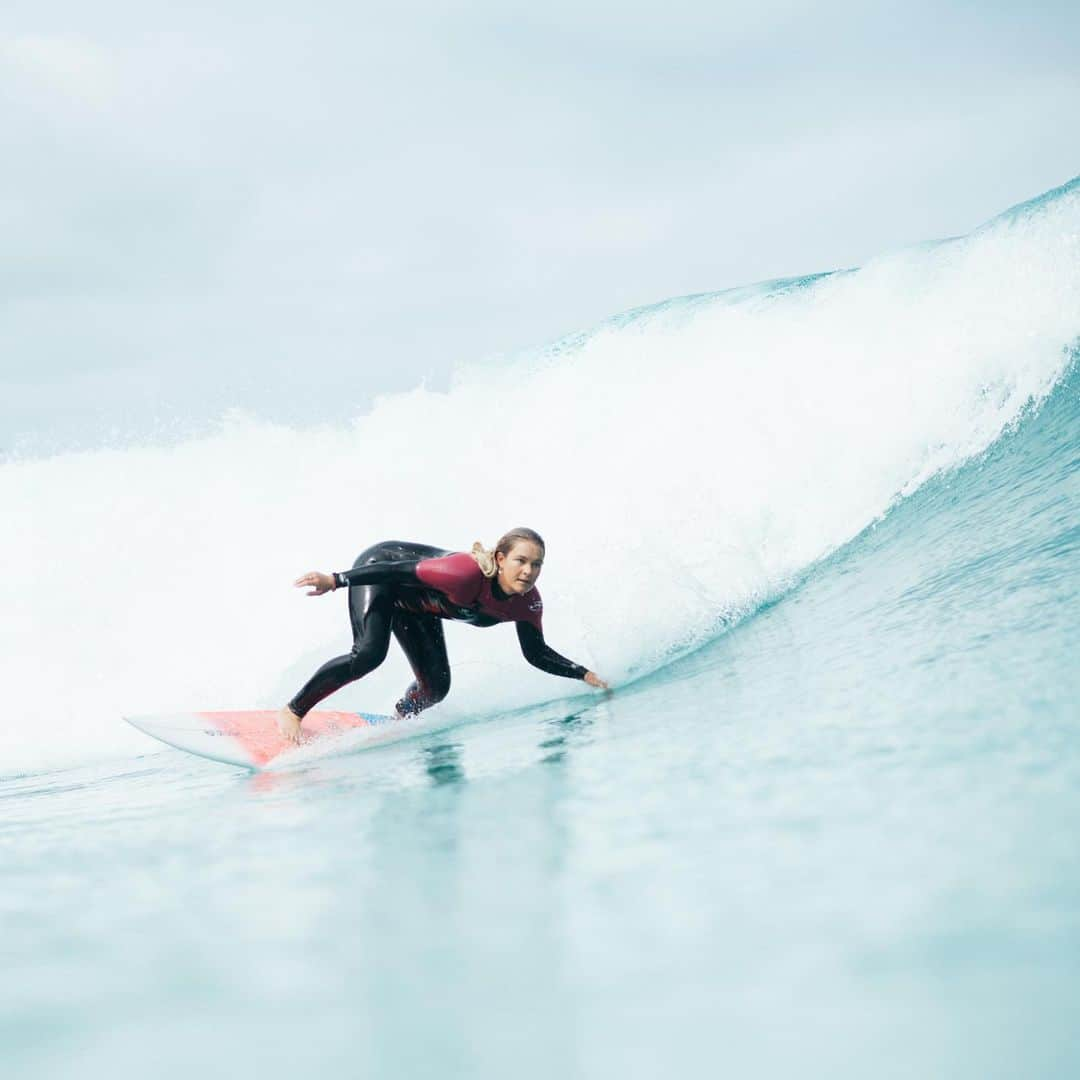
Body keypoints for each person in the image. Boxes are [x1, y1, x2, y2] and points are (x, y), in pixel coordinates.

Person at [277, 527, 608, 742]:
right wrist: (336, 580)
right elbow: (397, 571)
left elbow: (536, 653)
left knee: (436, 687)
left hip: (416, 606)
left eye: (537, 565)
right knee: (368, 655)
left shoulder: (526, 603)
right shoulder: (463, 573)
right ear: (500, 558)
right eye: (521, 561)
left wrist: (585, 675)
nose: (529, 571)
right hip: (383, 571)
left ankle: (397, 721)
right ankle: (293, 711)